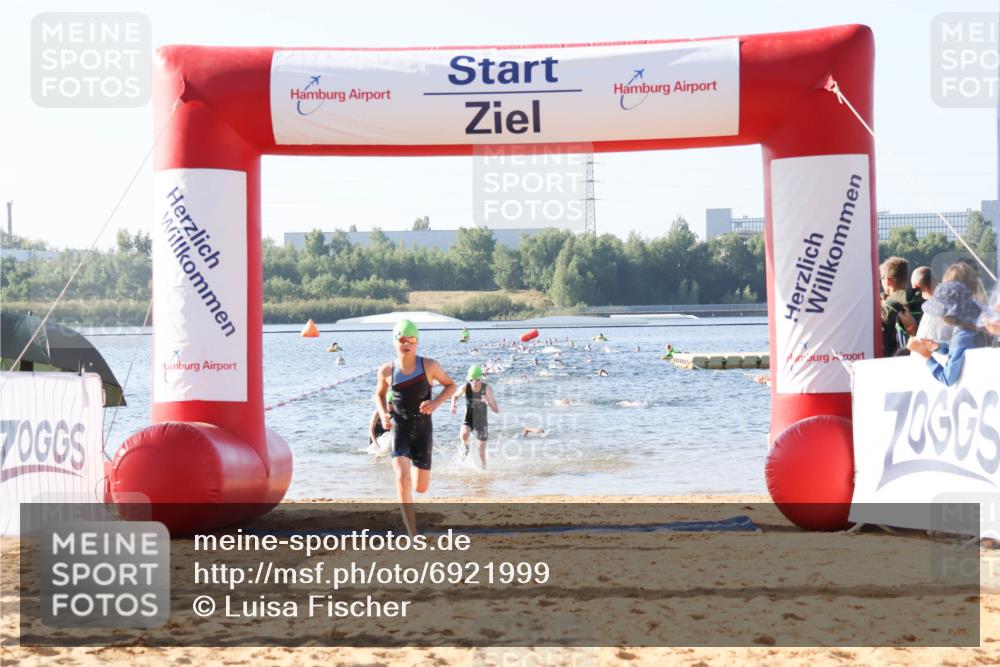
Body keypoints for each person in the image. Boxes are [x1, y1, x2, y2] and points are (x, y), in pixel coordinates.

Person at [374, 319, 457, 535]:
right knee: (402, 479)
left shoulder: (429, 366)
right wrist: (383, 414)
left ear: (417, 342)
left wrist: (436, 403)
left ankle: (410, 470)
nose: (406, 344)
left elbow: (450, 385)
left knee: (420, 487)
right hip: (399, 431)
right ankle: (413, 534)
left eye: (411, 340)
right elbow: (379, 394)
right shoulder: (387, 371)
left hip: (422, 432)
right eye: (402, 340)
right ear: (395, 342)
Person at [907, 267, 989, 386]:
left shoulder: (961, 336)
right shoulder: (974, 326)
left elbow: (947, 379)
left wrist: (926, 355)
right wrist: (938, 346)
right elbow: (959, 350)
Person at [450, 364, 499, 468]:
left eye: (477, 380)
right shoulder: (466, 387)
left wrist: (488, 402)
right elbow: (455, 396)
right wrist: (453, 405)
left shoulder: (487, 389)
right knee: (464, 434)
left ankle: (484, 471)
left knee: (481, 453)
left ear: (481, 378)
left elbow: (496, 410)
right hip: (469, 419)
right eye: (472, 380)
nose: (475, 383)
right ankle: (462, 461)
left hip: (481, 423)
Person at [879, 257, 917, 357]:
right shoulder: (916, 299)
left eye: (881, 279)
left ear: (888, 280)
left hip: (895, 358)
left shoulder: (890, 305)